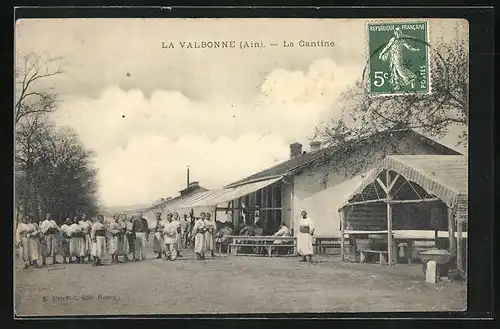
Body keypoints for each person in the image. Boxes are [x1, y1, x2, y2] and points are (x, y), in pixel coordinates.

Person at [378, 27, 420, 91]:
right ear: (395, 32)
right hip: (393, 56)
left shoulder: (402, 40)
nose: (398, 33)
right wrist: (381, 54)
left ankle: (410, 79)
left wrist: (415, 49)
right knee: (394, 70)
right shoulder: (393, 39)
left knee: (400, 69)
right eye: (397, 32)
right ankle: (397, 84)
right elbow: (387, 47)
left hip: (398, 57)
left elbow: (408, 47)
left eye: (399, 32)